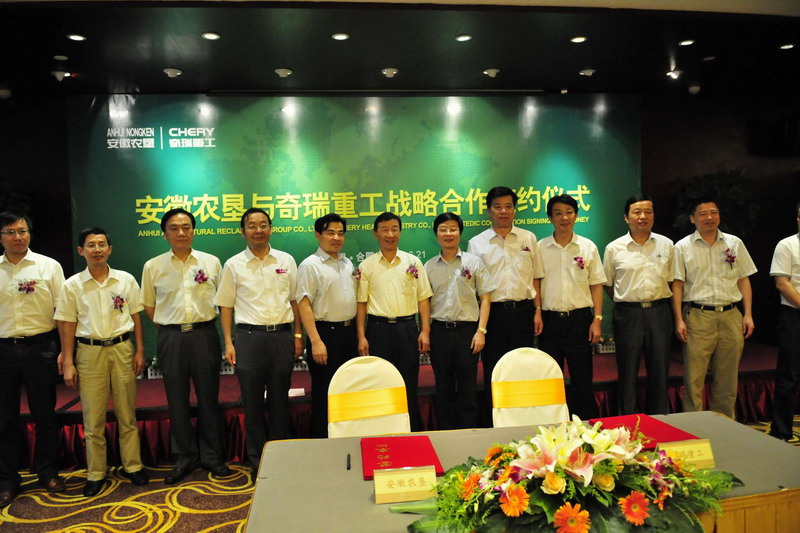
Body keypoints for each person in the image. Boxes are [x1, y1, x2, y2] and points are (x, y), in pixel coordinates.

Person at [56, 227, 149, 497]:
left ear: (110, 249)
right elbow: (67, 324)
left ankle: (133, 466)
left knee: (126, 413)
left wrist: (140, 350)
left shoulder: (125, 280)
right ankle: (96, 473)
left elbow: (137, 316)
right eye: (91, 245)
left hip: (122, 348)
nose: (97, 249)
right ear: (81, 250)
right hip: (89, 352)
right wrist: (68, 360)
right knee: (93, 417)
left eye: (101, 244)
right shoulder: (72, 285)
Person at [141, 208, 230, 484]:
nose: (181, 233)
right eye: (174, 228)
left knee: (209, 398)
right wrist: (172, 326)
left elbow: (223, 300)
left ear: (193, 230)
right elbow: (149, 306)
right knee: (176, 399)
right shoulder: (153, 266)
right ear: (164, 234)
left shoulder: (211, 262)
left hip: (205, 334)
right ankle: (184, 457)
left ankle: (212, 456)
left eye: (186, 227)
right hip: (171, 337)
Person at [214, 208, 303, 474]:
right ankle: (258, 462)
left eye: (263, 225)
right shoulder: (233, 265)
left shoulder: (286, 260)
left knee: (279, 402)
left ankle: (281, 459)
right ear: (243, 232)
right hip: (248, 339)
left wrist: (298, 335)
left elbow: (295, 300)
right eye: (252, 226)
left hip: (281, 337)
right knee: (252, 404)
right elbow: (226, 306)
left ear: (270, 229)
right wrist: (229, 342)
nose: (258, 230)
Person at [0, 212, 66, 507]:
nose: (18, 237)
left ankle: (48, 472)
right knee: (4, 419)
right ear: (1, 236)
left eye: (23, 231)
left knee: (45, 415)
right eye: (10, 232)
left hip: (41, 347)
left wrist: (65, 351)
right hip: (3, 350)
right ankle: (7, 481)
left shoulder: (48, 266)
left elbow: (63, 312)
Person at [672, 199, 756, 418]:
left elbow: (744, 279)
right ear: (692, 219)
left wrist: (748, 314)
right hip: (698, 316)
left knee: (728, 378)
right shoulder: (682, 247)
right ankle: (693, 426)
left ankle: (725, 424)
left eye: (713, 212)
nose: (709, 217)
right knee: (694, 378)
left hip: (731, 315)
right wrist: (679, 319)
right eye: (703, 214)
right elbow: (677, 285)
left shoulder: (734, 243)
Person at [356, 212, 433, 431]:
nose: (390, 234)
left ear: (400, 232)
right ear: (375, 233)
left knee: (408, 381)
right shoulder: (367, 266)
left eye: (394, 229)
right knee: (380, 382)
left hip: (407, 328)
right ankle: (382, 430)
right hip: (377, 330)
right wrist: (361, 336)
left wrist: (425, 330)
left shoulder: (413, 262)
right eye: (385, 230)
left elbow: (423, 299)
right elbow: (361, 303)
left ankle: (412, 430)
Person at [467, 186, 544, 394]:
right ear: (489, 211)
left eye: (508, 206)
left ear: (514, 210)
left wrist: (537, 311)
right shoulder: (477, 244)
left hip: (523, 312)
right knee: (495, 368)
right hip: (493, 315)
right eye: (497, 207)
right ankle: (495, 411)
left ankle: (523, 410)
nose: (503, 211)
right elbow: (473, 287)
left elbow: (536, 277)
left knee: (523, 367)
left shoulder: (528, 238)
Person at [603, 195, 674, 414]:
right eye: (637, 212)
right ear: (626, 218)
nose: (643, 216)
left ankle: (660, 419)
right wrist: (627, 299)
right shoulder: (614, 248)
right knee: (627, 372)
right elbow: (608, 283)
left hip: (659, 312)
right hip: (628, 314)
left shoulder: (667, 244)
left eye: (648, 212)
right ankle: (626, 422)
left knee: (660, 370)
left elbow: (673, 280)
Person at [424, 212, 495, 429]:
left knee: (467, 388)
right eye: (443, 229)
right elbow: (424, 302)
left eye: (453, 229)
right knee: (443, 387)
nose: (448, 233)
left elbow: (485, 298)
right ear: (436, 234)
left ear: (460, 232)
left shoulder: (474, 262)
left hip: (467, 332)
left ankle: (469, 432)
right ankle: (447, 434)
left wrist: (481, 331)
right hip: (439, 332)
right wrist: (425, 331)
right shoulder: (429, 266)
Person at [538, 194, 606, 419]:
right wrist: (537, 312)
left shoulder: (587, 247)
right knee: (550, 377)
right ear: (550, 218)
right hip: (550, 321)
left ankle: (585, 426)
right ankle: (551, 424)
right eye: (558, 213)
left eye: (569, 212)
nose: (564, 217)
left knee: (582, 378)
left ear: (576, 215)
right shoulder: (540, 248)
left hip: (580, 320)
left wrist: (597, 319)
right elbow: (535, 283)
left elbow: (596, 285)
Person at [295, 213, 358, 438]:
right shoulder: (310, 265)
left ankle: (347, 437)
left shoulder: (347, 263)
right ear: (318, 235)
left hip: (348, 333)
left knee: (347, 390)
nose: (336, 238)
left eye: (340, 233)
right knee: (325, 392)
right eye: (330, 233)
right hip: (324, 335)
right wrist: (315, 341)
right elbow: (304, 305)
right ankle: (323, 441)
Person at [768, 201, 800, 443]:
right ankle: (780, 432)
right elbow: (782, 283)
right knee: (789, 376)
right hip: (794, 316)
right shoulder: (787, 245)